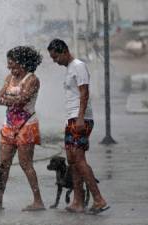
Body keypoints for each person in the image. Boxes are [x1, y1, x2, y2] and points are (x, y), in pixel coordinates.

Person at [47, 39, 109, 214]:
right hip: (71, 120)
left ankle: (98, 199)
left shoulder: (78, 66)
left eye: (55, 57)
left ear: (65, 51)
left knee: (79, 160)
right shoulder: (69, 69)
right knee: (72, 160)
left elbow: (84, 92)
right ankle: (78, 201)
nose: (54, 61)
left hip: (80, 119)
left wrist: (81, 117)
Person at [0, 46, 45, 211]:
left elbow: (23, 100)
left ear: (23, 64)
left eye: (13, 65)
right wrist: (13, 98)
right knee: (3, 165)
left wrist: (9, 98)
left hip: (27, 126)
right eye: (9, 65)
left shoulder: (32, 80)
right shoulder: (9, 77)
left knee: (25, 164)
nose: (10, 69)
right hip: (8, 126)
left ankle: (38, 201)